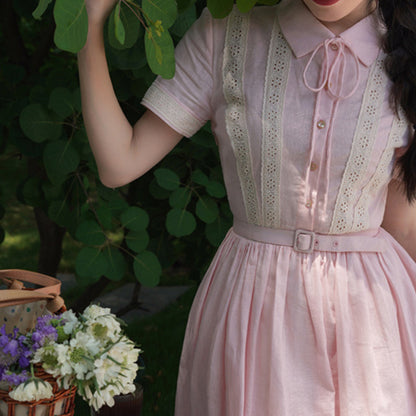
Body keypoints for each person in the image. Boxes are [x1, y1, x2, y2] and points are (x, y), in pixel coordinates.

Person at [78, 0, 416, 414]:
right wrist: (90, 28)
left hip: (369, 324)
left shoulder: (409, 48)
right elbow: (119, 162)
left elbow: (402, 226)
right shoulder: (228, 31)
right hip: (253, 309)